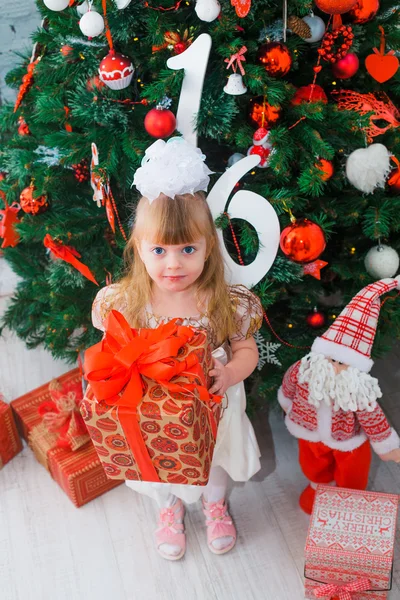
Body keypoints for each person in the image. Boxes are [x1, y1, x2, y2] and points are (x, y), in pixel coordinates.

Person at [91, 138, 263, 559]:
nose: (173, 264)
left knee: (215, 459)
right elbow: (110, 350)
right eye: (159, 250)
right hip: (155, 403)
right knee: (157, 458)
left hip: (213, 400)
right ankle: (168, 510)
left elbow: (246, 351)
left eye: (188, 249)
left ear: (209, 248)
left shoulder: (222, 301)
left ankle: (214, 504)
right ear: (139, 248)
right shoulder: (127, 301)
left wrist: (229, 374)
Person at [278, 276, 400, 514]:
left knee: (352, 472)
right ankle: (319, 488)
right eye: (331, 358)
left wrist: (387, 445)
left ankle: (348, 500)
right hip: (309, 432)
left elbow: (372, 416)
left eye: (342, 363)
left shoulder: (356, 388)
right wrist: (287, 403)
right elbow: (288, 385)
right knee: (312, 465)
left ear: (356, 367)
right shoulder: (304, 369)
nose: (334, 367)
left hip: (347, 440)